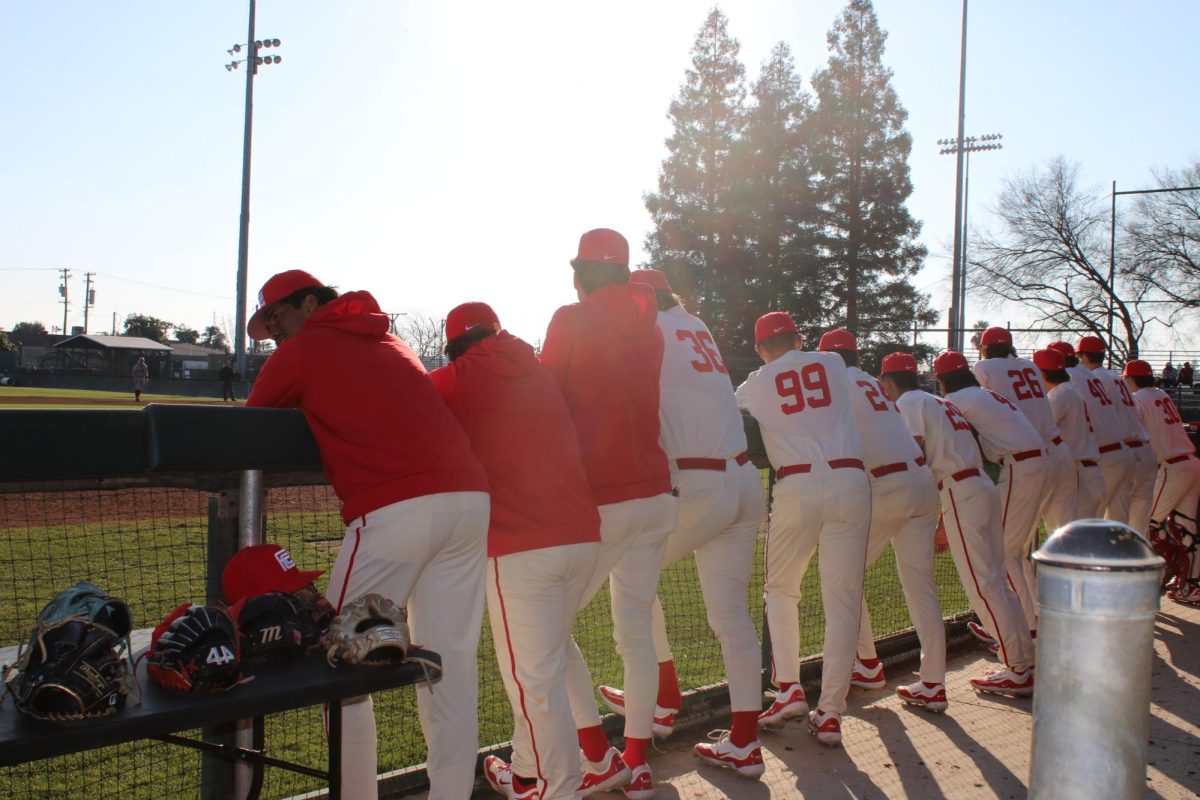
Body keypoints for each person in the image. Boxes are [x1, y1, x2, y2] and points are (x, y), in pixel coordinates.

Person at [245, 269, 490, 800]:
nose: (277, 333)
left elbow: (247, 425)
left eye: (278, 318)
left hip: (397, 507)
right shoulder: (392, 340)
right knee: (450, 662)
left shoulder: (305, 347)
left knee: (336, 656)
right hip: (470, 502)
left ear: (309, 304)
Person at [596, 269, 768, 779]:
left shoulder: (645, 329)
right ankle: (744, 741)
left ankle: (660, 704)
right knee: (732, 618)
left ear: (640, 298)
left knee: (630, 577)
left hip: (698, 483)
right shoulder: (696, 324)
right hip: (742, 479)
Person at [428, 301, 602, 800]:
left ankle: (557, 788)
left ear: (457, 342)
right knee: (544, 666)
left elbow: (402, 408)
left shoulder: (456, 377)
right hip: (582, 537)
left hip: (522, 545)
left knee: (533, 682)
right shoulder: (540, 368)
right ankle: (527, 772)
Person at [539, 229, 678, 799]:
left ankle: (597, 755)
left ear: (583, 273)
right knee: (636, 635)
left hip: (603, 497)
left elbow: (545, 398)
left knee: (548, 628)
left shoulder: (569, 319)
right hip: (655, 494)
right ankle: (638, 763)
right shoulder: (652, 324)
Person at [735, 311, 870, 747]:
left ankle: (788, 688)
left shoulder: (755, 383)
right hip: (850, 480)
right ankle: (830, 711)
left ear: (760, 348)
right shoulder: (832, 363)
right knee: (843, 600)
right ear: (798, 337)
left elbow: (734, 408)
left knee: (780, 589)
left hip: (797, 485)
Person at [878, 352, 1035, 696]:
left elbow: (914, 453)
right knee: (997, 581)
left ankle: (1019, 669)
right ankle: (1025, 659)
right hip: (981, 485)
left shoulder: (908, 402)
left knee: (984, 586)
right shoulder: (938, 401)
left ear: (888, 382)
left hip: (959, 490)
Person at [818, 330, 947, 712]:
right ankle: (934, 683)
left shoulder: (836, 383)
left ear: (829, 358)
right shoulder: (872, 383)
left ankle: (867, 666)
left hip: (886, 487)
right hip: (921, 484)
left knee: (842, 578)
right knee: (920, 587)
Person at [935, 350, 1050, 643]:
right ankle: (1031, 617)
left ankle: (1023, 628)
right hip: (1036, 462)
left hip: (1020, 465)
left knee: (1003, 552)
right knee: (1014, 549)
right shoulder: (984, 395)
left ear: (944, 381)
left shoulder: (958, 399)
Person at [1123, 360, 1200, 606]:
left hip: (1170, 467)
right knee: (1185, 527)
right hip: (1190, 461)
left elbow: (1131, 433)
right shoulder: (1161, 393)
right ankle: (1191, 585)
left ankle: (1156, 578)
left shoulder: (1138, 399)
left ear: (1131, 379)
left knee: (1150, 525)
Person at [1047, 340, 1136, 522]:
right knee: (1116, 528)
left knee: (1085, 528)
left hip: (1103, 458)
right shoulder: (1090, 374)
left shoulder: (1068, 379)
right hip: (1122, 452)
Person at [1076, 336, 1155, 533]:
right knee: (1127, 524)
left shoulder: (1094, 377)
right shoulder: (1114, 377)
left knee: (1092, 522)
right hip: (1141, 451)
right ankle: (1128, 562)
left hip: (1117, 452)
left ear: (1084, 356)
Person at [1033, 348, 1106, 517]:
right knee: (1081, 538)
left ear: (1042, 374)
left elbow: (1041, 430)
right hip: (1088, 472)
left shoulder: (1060, 394)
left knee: (1065, 535)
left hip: (1079, 474)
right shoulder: (1069, 389)